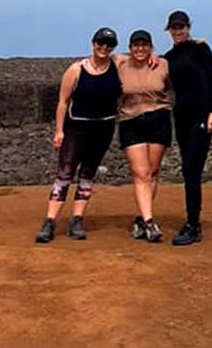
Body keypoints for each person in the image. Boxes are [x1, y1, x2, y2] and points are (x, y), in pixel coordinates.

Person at [36, 27, 121, 244]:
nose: (104, 48)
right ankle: (50, 220)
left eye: (109, 45)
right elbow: (63, 102)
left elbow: (141, 58)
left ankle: (77, 219)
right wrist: (59, 130)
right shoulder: (76, 69)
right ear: (93, 44)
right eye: (100, 44)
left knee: (87, 174)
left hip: (103, 128)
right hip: (77, 128)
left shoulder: (118, 65)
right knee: (65, 172)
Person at [163, 9, 212, 246]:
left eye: (181, 27)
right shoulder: (169, 57)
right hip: (182, 118)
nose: (178, 31)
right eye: (174, 28)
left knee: (191, 169)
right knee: (188, 168)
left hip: (201, 116)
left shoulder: (201, 50)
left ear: (188, 27)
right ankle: (192, 220)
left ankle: (193, 224)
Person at [117, 29, 172, 244]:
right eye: (135, 45)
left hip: (159, 118)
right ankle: (150, 222)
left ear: (151, 47)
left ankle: (141, 218)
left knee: (152, 171)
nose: (140, 49)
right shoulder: (120, 65)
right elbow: (106, 58)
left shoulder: (163, 65)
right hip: (131, 121)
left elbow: (174, 86)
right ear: (130, 48)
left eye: (144, 45)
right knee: (140, 172)